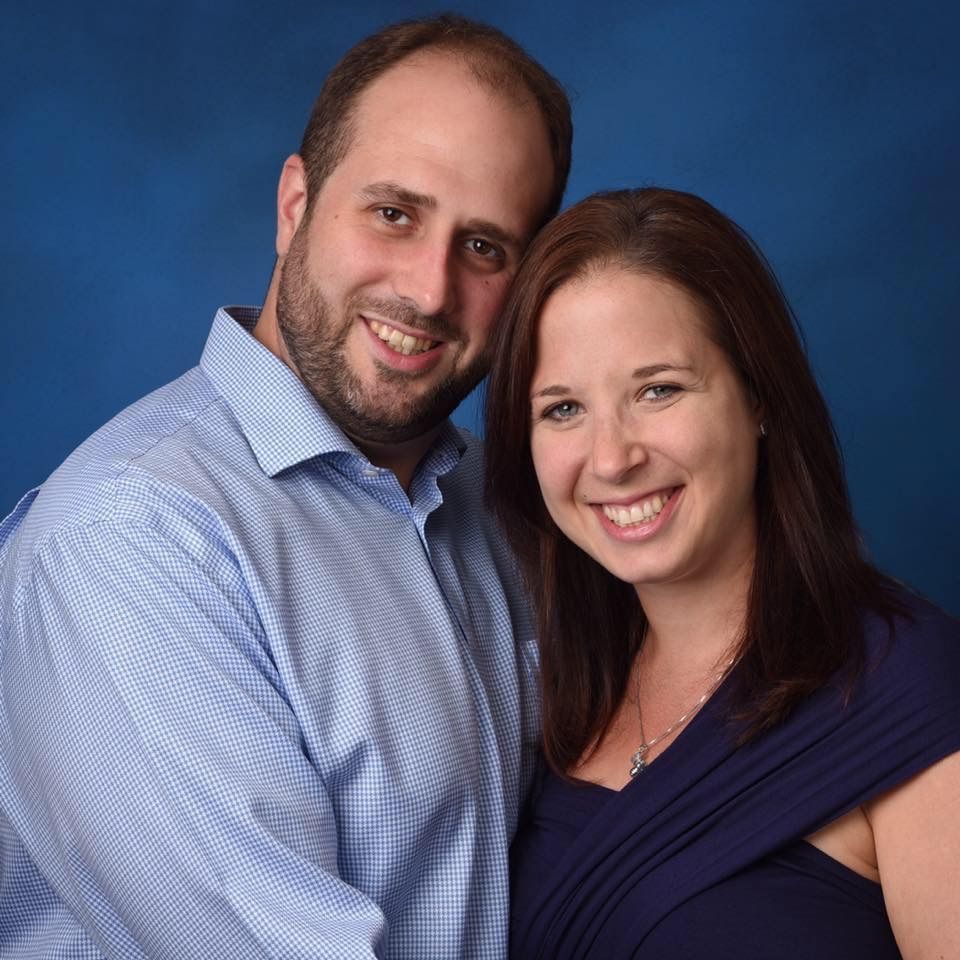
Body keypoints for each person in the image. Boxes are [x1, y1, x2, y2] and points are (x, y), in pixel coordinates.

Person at [0, 15, 571, 959]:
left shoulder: (499, 518)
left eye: (485, 248)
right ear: (295, 204)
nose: (428, 291)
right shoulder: (126, 539)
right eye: (394, 213)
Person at [485, 187, 960, 959]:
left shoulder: (913, 687)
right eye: (563, 409)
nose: (611, 458)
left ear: (760, 396)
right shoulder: (550, 688)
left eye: (658, 389)